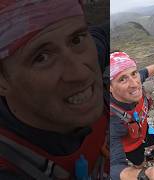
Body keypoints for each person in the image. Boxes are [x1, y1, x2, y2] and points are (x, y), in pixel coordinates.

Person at [0, 0, 109, 179]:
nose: (80, 73)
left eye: (76, 39)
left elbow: (103, 34)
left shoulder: (92, 52)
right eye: (41, 58)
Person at [107, 51, 154, 180]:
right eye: (122, 79)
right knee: (140, 164)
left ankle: (149, 156)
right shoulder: (112, 120)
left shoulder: (136, 80)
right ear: (109, 87)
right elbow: (113, 166)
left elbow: (145, 71)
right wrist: (144, 174)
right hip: (132, 146)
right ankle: (143, 162)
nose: (135, 84)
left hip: (145, 129)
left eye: (133, 73)